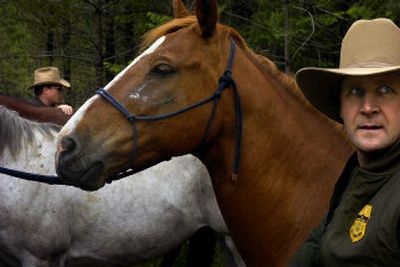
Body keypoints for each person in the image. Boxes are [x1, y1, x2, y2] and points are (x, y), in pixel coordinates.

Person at [290, 18, 400, 266]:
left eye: (385, 90)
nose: (368, 107)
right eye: (355, 91)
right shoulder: (354, 176)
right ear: (340, 106)